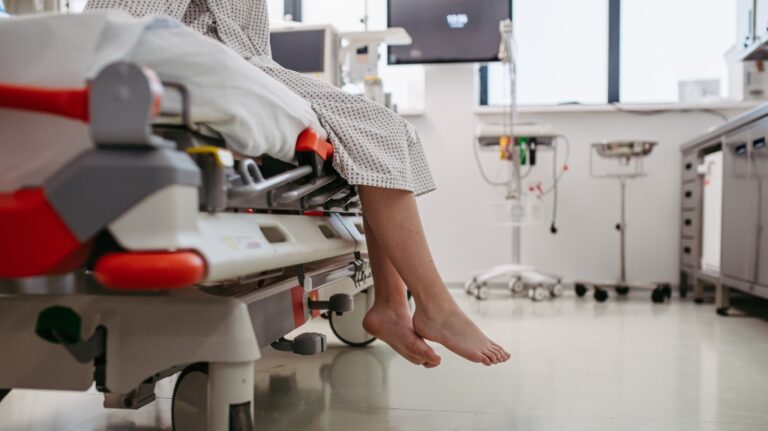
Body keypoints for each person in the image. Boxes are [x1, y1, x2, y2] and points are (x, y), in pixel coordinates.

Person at [85, 0, 511, 367]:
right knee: (381, 130)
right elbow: (118, 28)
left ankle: (394, 305)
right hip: (221, 65)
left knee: (391, 131)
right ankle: (432, 307)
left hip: (249, 67)